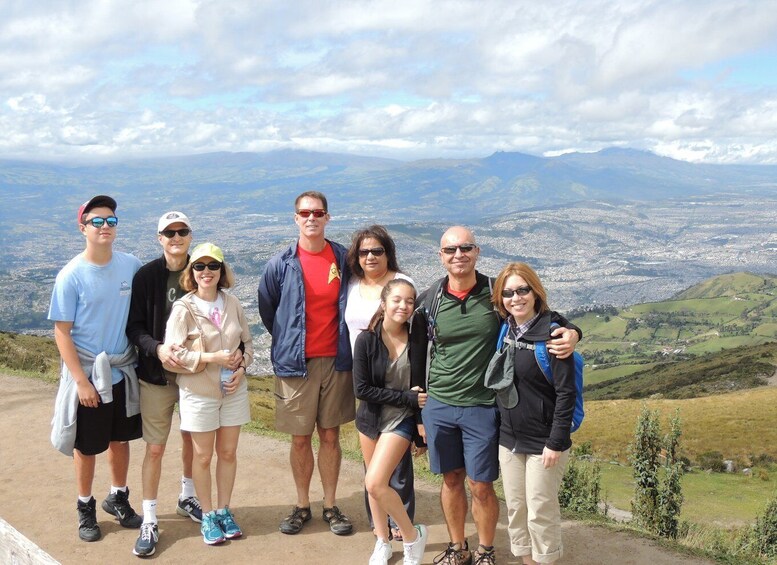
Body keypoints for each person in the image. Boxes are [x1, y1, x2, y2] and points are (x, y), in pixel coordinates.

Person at [417, 226, 581, 565]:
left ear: (477, 252)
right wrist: (418, 411)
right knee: (451, 480)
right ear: (441, 256)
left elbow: (541, 316)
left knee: (481, 485)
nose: (458, 255)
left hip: (483, 406)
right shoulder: (430, 298)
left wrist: (574, 332)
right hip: (442, 404)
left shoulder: (495, 293)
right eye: (450, 250)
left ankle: (486, 550)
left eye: (465, 248)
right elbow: (411, 342)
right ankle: (458, 547)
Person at [126, 212, 244, 556]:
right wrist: (157, 349)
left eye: (182, 231)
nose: (176, 236)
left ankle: (188, 497)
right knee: (156, 447)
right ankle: (150, 517)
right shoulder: (147, 276)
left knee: (196, 445)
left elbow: (240, 337)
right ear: (159, 237)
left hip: (199, 381)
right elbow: (135, 327)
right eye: (168, 232)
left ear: (190, 236)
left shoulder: (203, 272)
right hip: (159, 376)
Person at [257, 191, 354, 536]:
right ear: (295, 218)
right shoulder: (280, 264)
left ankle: (330, 505)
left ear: (328, 217)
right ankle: (302, 504)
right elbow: (270, 312)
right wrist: (291, 341)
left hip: (336, 361)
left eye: (318, 212)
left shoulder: (344, 259)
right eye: (304, 213)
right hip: (296, 364)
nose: (311, 218)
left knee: (330, 435)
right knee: (300, 438)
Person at [49, 195, 143, 542]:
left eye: (111, 221)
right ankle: (84, 506)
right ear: (83, 227)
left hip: (122, 370)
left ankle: (118, 496)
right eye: (97, 221)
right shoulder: (71, 275)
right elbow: (62, 331)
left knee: (121, 438)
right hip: (89, 374)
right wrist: (80, 381)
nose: (105, 227)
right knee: (87, 446)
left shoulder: (130, 265)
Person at [162, 243, 253, 545]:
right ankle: (208, 514)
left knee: (227, 453)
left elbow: (247, 346)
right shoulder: (183, 309)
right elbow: (175, 355)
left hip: (233, 390)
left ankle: (224, 509)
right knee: (202, 456)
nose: (206, 272)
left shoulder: (233, 303)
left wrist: (242, 369)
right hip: (198, 392)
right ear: (191, 272)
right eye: (199, 266)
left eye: (212, 266)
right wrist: (212, 358)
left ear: (221, 271)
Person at [490, 263, 575, 565]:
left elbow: (566, 394)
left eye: (523, 290)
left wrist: (556, 441)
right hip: (509, 438)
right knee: (516, 508)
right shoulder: (505, 329)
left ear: (535, 292)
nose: (516, 298)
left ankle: (546, 560)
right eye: (508, 293)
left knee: (541, 510)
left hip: (544, 442)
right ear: (501, 299)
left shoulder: (554, 337)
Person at [344, 225, 416, 542]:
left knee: (397, 465)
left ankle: (403, 523)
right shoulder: (351, 285)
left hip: (399, 377)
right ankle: (379, 525)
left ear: (388, 252)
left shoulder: (402, 285)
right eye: (364, 251)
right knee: (372, 466)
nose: (370, 256)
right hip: (367, 377)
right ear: (356, 257)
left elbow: (416, 336)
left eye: (377, 250)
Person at [353, 279, 429, 565]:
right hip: (371, 419)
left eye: (409, 301)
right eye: (397, 300)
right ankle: (382, 541)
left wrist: (420, 430)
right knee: (374, 484)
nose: (404, 306)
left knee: (374, 481)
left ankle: (411, 536)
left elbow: (421, 387)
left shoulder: (417, 337)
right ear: (383, 303)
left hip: (401, 420)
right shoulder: (366, 340)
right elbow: (361, 389)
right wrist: (405, 397)